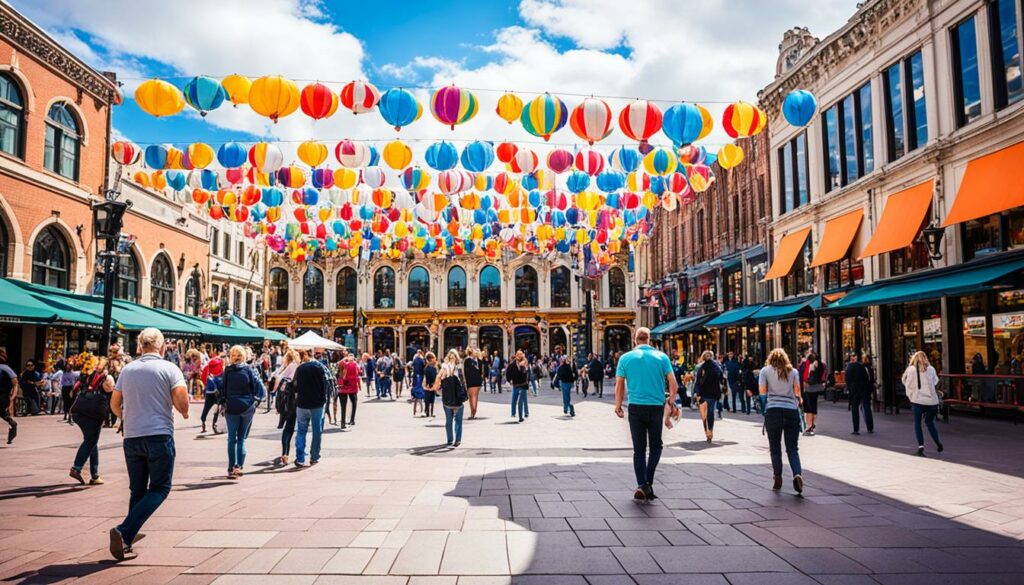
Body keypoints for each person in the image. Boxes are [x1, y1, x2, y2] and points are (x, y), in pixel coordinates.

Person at [108, 328, 188, 561]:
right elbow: (181, 400)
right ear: (162, 347)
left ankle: (126, 540)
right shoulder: (169, 368)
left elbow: (115, 403)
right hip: (158, 434)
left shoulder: (128, 369)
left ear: (140, 346)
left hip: (132, 437)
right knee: (160, 488)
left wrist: (124, 416)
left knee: (137, 490)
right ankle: (123, 531)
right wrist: (183, 412)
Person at [614, 327, 678, 502]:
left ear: (635, 340)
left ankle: (642, 484)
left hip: (635, 407)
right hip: (656, 407)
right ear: (649, 340)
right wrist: (670, 403)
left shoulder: (625, 358)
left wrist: (618, 405)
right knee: (656, 446)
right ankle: (647, 481)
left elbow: (619, 385)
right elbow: (674, 385)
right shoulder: (662, 357)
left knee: (639, 449)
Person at [759, 348, 804, 494]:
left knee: (775, 447)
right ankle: (797, 473)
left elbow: (762, 392)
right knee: (792, 448)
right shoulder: (794, 372)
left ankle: (777, 476)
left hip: (773, 411)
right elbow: (797, 392)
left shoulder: (765, 371)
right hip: (791, 411)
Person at [219, 345, 264, 479]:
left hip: (231, 406)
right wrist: (254, 400)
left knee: (232, 438)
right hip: (247, 407)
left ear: (231, 356)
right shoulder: (249, 369)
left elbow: (223, 389)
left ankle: (231, 467)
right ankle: (239, 466)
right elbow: (257, 387)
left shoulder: (227, 370)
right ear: (244, 356)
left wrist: (222, 403)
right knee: (242, 438)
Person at [68, 357, 114, 485]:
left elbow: (72, 393)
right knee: (91, 440)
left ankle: (95, 475)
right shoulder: (107, 377)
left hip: (78, 411)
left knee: (92, 441)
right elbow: (111, 390)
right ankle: (76, 468)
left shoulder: (85, 376)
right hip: (94, 413)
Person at [903, 351, 943, 457]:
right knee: (930, 422)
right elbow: (935, 381)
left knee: (917, 423)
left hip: (918, 400)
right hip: (932, 402)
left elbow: (904, 381)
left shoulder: (910, 369)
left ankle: (921, 447)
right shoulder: (931, 369)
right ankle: (938, 443)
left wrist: (911, 394)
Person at [275, 351, 300, 465]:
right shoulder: (296, 366)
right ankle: (286, 454)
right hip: (293, 402)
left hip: (284, 402)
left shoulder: (287, 368)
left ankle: (284, 452)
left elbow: (277, 379)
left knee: (286, 428)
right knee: (289, 428)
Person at [694, 351, 724, 442]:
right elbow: (722, 379)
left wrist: (696, 393)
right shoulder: (717, 367)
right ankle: (710, 431)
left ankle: (707, 432)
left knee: (704, 415)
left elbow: (697, 381)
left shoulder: (701, 367)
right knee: (711, 413)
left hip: (703, 394)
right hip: (714, 394)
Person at [439, 350, 467, 447]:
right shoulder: (444, 368)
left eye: (453, 357)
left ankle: (458, 440)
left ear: (456, 358)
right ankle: (450, 439)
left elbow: (463, 382)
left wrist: (464, 395)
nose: (452, 359)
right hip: (447, 397)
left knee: (458, 420)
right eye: (450, 357)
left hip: (458, 397)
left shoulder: (459, 369)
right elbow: (440, 380)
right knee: (449, 420)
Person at [844, 353, 874, 435]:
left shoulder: (849, 368)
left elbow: (847, 380)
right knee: (866, 407)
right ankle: (870, 427)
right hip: (863, 390)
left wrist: (850, 389)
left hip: (854, 391)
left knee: (855, 410)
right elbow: (866, 378)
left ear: (851, 359)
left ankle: (856, 429)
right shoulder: (861, 367)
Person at [802, 351, 826, 436]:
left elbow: (804, 376)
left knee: (808, 409)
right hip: (817, 388)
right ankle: (813, 426)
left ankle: (809, 427)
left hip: (808, 388)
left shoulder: (807, 363)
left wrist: (804, 385)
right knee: (814, 407)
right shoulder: (821, 364)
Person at [199, 352, 224, 434]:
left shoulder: (207, 367)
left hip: (209, 392)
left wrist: (206, 385)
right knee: (218, 408)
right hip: (218, 392)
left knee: (206, 408)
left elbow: (202, 378)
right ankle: (214, 426)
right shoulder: (221, 368)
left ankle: (203, 424)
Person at [506, 350, 530, 423]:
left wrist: (523, 366)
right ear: (516, 355)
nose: (519, 356)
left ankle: (521, 416)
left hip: (523, 385)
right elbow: (508, 373)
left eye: (521, 354)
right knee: (514, 399)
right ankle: (513, 413)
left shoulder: (525, 362)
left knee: (521, 401)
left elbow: (527, 373)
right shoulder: (512, 364)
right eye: (518, 354)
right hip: (515, 385)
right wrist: (509, 380)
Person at [338, 352, 360, 429]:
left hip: (343, 386)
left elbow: (338, 367)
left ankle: (343, 423)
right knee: (354, 403)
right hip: (353, 386)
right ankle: (352, 419)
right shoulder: (355, 364)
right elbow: (359, 372)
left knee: (343, 406)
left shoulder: (342, 363)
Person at [0, 349, 17, 443]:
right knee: (2, 414)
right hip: (4, 397)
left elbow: (15, 384)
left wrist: (12, 397)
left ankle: (12, 424)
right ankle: (12, 424)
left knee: (2, 413)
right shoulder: (6, 368)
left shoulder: (5, 368)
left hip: (3, 396)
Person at [463, 348, 483, 419]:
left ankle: (473, 412)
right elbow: (480, 372)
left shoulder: (468, 361)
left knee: (472, 396)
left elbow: (465, 372)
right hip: (475, 381)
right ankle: (473, 412)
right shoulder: (475, 361)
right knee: (474, 396)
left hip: (472, 381)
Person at [60, 357, 81, 424]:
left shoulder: (74, 373)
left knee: (71, 402)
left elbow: (73, 382)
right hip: (65, 388)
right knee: (66, 402)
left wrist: (72, 390)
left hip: (71, 388)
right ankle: (66, 414)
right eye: (67, 366)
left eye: (69, 366)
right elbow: (62, 382)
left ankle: (70, 416)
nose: (67, 367)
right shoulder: (64, 373)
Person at [422, 352, 439, 418]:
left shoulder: (429, 367)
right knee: (430, 399)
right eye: (433, 358)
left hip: (429, 385)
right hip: (430, 385)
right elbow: (429, 376)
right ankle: (429, 412)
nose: (435, 359)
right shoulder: (430, 368)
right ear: (431, 359)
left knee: (429, 399)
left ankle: (428, 412)